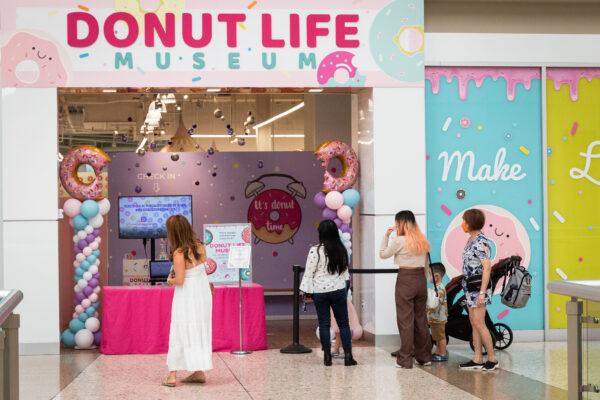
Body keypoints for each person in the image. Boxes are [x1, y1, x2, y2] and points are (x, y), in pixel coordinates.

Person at [162, 215, 213, 387]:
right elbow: (201, 269)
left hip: (186, 295)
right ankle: (199, 371)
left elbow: (180, 280)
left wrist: (169, 280)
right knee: (198, 329)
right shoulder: (200, 246)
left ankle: (172, 375)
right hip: (202, 293)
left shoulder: (179, 253)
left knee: (179, 328)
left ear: (174, 233)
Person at [300, 220, 357, 367]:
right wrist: (345, 289)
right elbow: (345, 274)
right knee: (344, 324)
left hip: (320, 292)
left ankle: (327, 357)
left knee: (324, 324)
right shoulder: (341, 249)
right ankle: (349, 356)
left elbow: (309, 273)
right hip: (338, 290)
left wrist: (305, 291)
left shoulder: (316, 250)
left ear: (321, 233)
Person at [380, 210, 432, 369]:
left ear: (400, 223)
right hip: (420, 281)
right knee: (421, 319)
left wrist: (386, 236)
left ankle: (405, 359)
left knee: (405, 320)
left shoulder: (398, 240)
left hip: (405, 279)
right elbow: (426, 266)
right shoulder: (422, 240)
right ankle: (424, 357)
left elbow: (383, 254)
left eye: (397, 222)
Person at [458, 209, 499, 371]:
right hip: (469, 288)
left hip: (478, 289)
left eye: (464, 220)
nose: (462, 224)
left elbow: (487, 268)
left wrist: (482, 293)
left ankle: (492, 358)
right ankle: (477, 358)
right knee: (474, 323)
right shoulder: (470, 240)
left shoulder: (480, 242)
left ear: (471, 223)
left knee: (480, 323)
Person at [427, 263, 448, 362]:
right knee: (436, 337)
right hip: (435, 318)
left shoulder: (440, 288)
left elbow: (435, 303)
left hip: (439, 318)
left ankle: (442, 354)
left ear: (436, 277)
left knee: (440, 337)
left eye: (429, 274)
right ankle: (438, 352)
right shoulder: (436, 287)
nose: (428, 277)